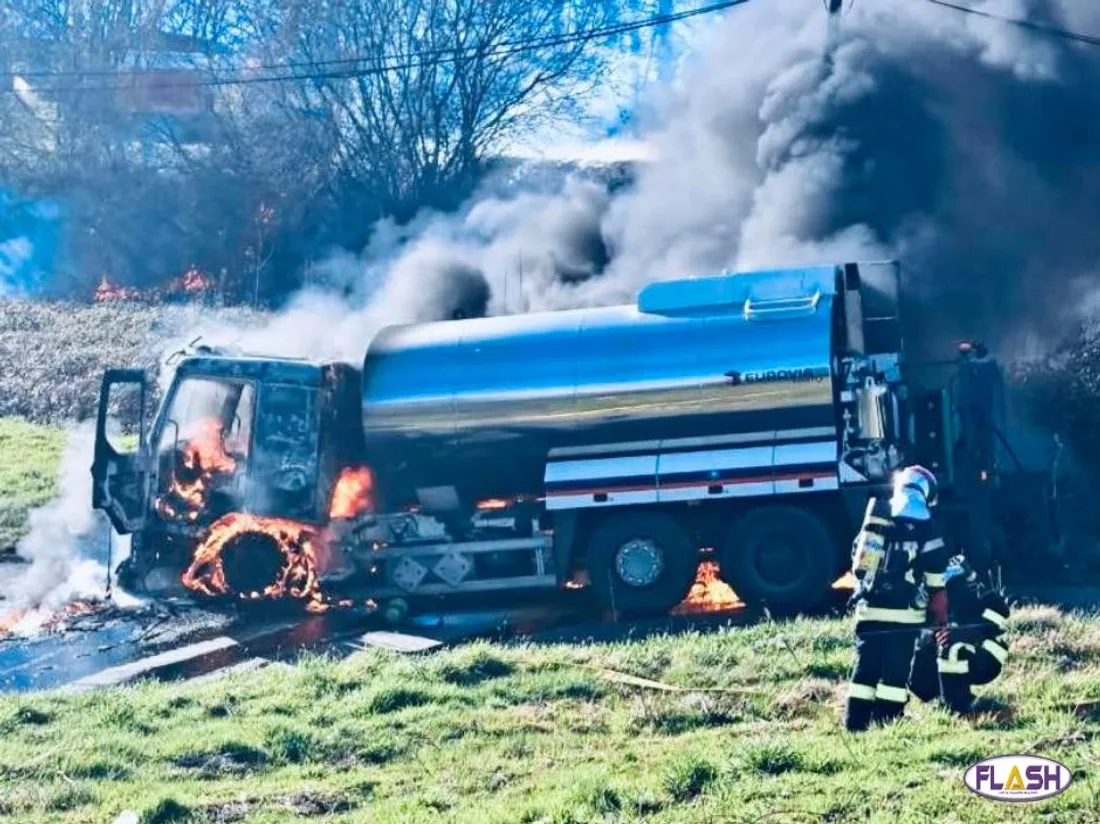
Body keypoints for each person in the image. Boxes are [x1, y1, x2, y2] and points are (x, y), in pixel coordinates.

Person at [844, 465, 951, 732]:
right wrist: (939, 610)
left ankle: (855, 723)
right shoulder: (926, 524)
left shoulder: (876, 518)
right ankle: (888, 720)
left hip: (869, 611)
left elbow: (858, 559)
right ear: (926, 492)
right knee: (895, 670)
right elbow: (936, 573)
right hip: (905, 615)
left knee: (865, 668)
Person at [909, 555, 1010, 713]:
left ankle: (957, 708)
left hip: (987, 659)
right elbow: (917, 639)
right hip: (938, 666)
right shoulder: (929, 607)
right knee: (913, 660)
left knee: (953, 650)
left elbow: (998, 619)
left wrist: (967, 634)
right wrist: (932, 639)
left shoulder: (975, 600)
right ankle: (945, 699)